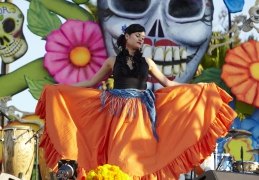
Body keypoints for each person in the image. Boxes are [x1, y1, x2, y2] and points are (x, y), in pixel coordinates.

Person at [36, 24, 237, 180]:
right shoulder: (112, 61)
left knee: (135, 159)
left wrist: (200, 89)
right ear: (127, 37)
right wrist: (60, 89)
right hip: (114, 113)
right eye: (137, 36)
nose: (142, 39)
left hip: (139, 114)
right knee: (116, 157)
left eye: (143, 36)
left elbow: (167, 83)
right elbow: (91, 82)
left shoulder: (148, 63)